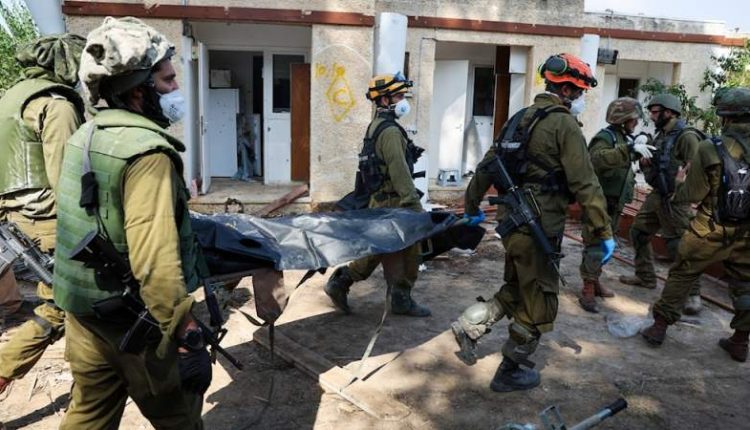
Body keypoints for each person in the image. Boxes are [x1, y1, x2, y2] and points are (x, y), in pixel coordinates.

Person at [53, 17, 210, 428]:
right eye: (168, 80)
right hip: (134, 323)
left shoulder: (87, 134)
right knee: (180, 416)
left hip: (85, 314)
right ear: (140, 90)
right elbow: (155, 263)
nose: (176, 89)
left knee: (89, 415)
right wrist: (185, 331)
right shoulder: (148, 154)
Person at [450, 53, 615, 392]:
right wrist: (603, 231)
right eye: (580, 92)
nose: (581, 99)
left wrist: (471, 205)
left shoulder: (519, 118)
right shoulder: (564, 125)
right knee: (541, 301)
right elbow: (586, 183)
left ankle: (468, 325)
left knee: (517, 287)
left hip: (512, 223)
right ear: (567, 89)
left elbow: (486, 166)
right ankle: (509, 370)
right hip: (539, 225)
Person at [0, 34, 86, 394]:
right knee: (66, 305)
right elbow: (68, 180)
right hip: (50, 221)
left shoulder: (13, 97)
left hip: (18, 220)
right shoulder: (57, 105)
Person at [641, 87, 750, 363]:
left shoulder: (710, 147)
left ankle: (658, 328)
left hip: (709, 228)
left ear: (725, 117)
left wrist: (679, 183)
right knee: (746, 284)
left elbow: (692, 195)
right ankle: (740, 342)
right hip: (746, 233)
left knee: (682, 273)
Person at [324, 72, 431, 317]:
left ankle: (341, 281)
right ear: (384, 100)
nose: (404, 101)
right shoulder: (390, 132)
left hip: (380, 200)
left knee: (378, 249)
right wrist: (415, 208)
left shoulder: (377, 126)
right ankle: (401, 300)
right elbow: (399, 172)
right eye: (399, 96)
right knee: (411, 251)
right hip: (395, 202)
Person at [619, 93, 705, 315]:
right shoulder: (662, 134)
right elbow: (660, 162)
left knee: (680, 246)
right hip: (658, 194)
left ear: (669, 112)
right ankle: (645, 276)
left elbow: (696, 168)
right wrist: (646, 161)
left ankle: (693, 294)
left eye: (655, 112)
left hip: (676, 200)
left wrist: (682, 188)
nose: (652, 116)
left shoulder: (687, 137)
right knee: (639, 232)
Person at [578, 97, 655, 312]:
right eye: (634, 119)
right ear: (623, 119)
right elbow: (596, 159)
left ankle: (595, 279)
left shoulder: (623, 136)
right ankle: (587, 288)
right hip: (599, 204)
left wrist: (640, 140)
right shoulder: (605, 137)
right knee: (595, 245)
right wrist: (628, 150)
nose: (636, 123)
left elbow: (641, 144)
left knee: (605, 247)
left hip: (615, 203)